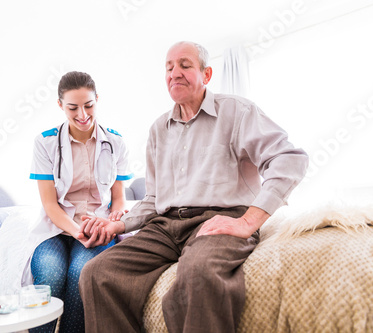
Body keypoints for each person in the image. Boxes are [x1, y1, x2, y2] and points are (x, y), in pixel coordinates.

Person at [78, 41, 309, 333]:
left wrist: (249, 221)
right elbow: (153, 197)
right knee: (97, 273)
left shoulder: (237, 112)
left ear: (207, 74)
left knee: (198, 274)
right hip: (165, 227)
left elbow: (289, 159)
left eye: (185, 65)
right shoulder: (158, 129)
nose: (175, 73)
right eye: (169, 67)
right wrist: (119, 225)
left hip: (218, 221)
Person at [28, 71, 132, 332]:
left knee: (82, 275)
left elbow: (118, 198)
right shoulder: (46, 142)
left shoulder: (116, 142)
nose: (83, 115)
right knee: (50, 276)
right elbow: (50, 204)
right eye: (73, 107)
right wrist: (77, 231)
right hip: (56, 229)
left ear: (97, 99)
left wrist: (114, 219)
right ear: (60, 105)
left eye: (89, 105)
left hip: (97, 228)